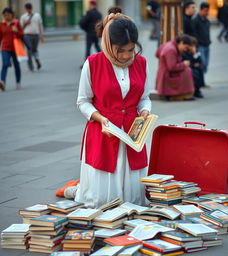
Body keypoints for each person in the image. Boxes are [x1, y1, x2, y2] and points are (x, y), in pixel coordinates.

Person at [66, 12, 151, 208]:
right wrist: (100, 118)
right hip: (103, 131)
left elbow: (144, 98)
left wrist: (145, 111)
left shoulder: (141, 63)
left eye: (131, 50)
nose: (126, 56)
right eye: (120, 50)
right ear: (108, 43)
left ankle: (80, 190)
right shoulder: (93, 63)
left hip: (131, 133)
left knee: (133, 201)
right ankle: (80, 191)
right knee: (101, 201)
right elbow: (83, 101)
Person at [155, 34, 195, 101]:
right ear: (181, 43)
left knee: (188, 70)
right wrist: (183, 64)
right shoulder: (171, 49)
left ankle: (185, 94)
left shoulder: (170, 44)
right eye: (185, 47)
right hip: (167, 76)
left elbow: (157, 54)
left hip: (164, 73)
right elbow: (171, 67)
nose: (185, 49)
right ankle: (182, 95)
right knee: (187, 71)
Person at [0, 8, 23, 91]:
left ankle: (18, 82)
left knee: (16, 65)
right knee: (5, 64)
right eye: (5, 15)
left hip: (15, 48)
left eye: (8, 15)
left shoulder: (16, 23)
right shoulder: (1, 24)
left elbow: (22, 35)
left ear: (12, 15)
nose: (6, 17)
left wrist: (17, 31)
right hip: (5, 48)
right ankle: (2, 82)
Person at [20, 3, 44, 71]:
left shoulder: (37, 15)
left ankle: (37, 61)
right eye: (27, 9)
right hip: (27, 35)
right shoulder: (23, 17)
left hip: (36, 35)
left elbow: (40, 25)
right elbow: (21, 28)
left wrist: (42, 36)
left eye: (29, 8)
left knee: (34, 50)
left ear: (32, 8)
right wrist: (26, 23)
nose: (28, 10)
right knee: (29, 50)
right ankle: (30, 66)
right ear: (25, 9)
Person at [79, 0, 102, 64]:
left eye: (90, 5)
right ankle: (104, 59)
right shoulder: (99, 13)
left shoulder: (89, 13)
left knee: (88, 49)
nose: (89, 6)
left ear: (92, 5)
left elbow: (83, 22)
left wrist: (86, 29)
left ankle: (86, 64)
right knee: (97, 47)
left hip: (90, 33)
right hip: (96, 33)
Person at [193, 2, 211, 74]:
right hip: (200, 45)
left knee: (205, 63)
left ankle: (202, 80)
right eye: (205, 10)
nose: (207, 12)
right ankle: (200, 80)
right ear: (201, 10)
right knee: (202, 62)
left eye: (207, 10)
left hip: (206, 44)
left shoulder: (207, 21)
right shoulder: (195, 20)